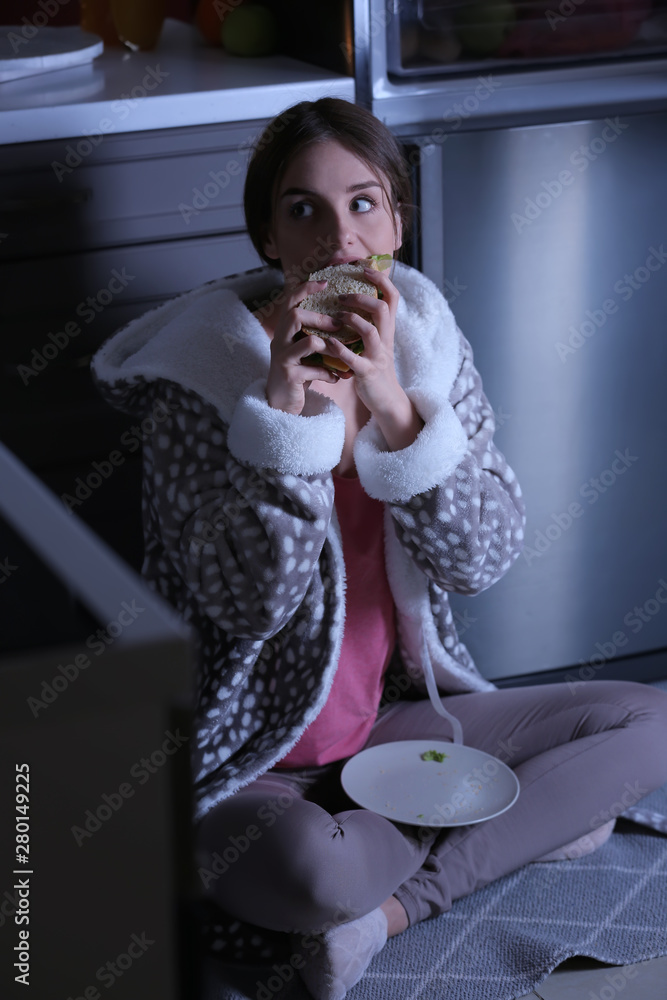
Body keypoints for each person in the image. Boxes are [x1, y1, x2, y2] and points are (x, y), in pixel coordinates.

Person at [92, 98, 667, 1000]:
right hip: (249, 757)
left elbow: (480, 560)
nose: (339, 238)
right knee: (321, 876)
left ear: (398, 219)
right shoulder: (196, 381)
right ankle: (516, 821)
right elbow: (249, 605)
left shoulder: (427, 342)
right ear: (267, 235)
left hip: (398, 725)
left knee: (652, 723)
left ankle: (392, 915)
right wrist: (284, 424)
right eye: (303, 209)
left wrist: (397, 412)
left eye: (363, 203)